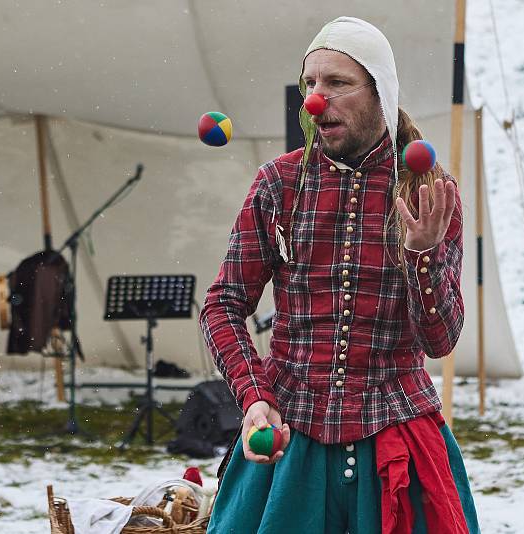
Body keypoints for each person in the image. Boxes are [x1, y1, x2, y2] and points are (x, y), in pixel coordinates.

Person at [199, 16, 480, 534]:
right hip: (290, 441)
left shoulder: (428, 191)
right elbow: (223, 303)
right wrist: (254, 397)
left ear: (380, 91)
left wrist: (422, 256)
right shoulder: (279, 183)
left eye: (337, 83)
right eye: (310, 82)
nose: (315, 99)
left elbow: (441, 342)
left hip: (396, 437)